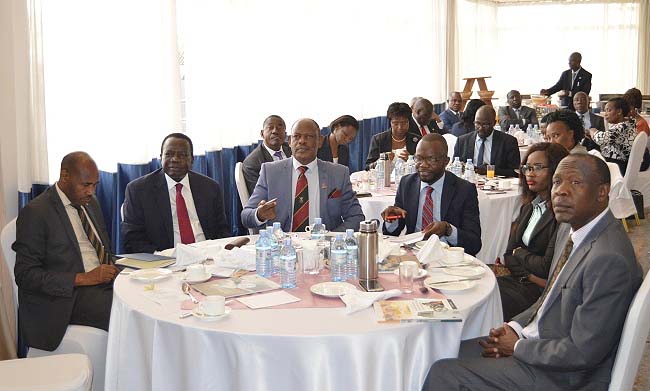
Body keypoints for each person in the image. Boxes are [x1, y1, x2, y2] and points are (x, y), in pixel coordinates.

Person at [424, 154, 642, 391]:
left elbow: (582, 352)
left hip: (563, 377)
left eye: (576, 183)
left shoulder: (608, 259)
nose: (561, 191)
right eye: (557, 182)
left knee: (444, 373)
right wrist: (515, 329)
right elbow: (547, 300)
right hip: (541, 344)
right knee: (441, 352)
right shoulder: (570, 229)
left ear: (602, 192)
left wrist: (517, 347)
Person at [13, 152, 119, 351]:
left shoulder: (90, 204)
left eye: (95, 185)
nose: (91, 192)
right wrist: (84, 278)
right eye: (86, 185)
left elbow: (103, 250)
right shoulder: (36, 213)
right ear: (65, 176)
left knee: (143, 294)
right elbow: (25, 275)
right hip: (66, 297)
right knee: (122, 310)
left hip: (101, 282)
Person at [241, 118, 365, 233]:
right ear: (289, 142)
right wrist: (259, 215)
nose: (302, 141)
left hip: (323, 247)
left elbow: (356, 217)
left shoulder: (338, 173)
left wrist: (331, 238)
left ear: (320, 141)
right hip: (283, 248)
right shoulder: (270, 172)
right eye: (297, 136)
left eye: (309, 137)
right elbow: (246, 216)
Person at [122, 133, 231, 253]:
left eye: (182, 155)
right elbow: (133, 240)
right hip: (165, 260)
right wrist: (161, 257)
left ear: (192, 159)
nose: (175, 159)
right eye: (169, 154)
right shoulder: (138, 190)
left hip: (207, 256)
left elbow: (222, 231)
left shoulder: (210, 188)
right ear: (160, 157)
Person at [497, 142, 569, 321]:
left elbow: (546, 266)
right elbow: (508, 254)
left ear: (555, 171)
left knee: (492, 304)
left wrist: (520, 254)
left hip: (540, 293)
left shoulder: (561, 215)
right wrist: (529, 274)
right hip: (520, 281)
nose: (530, 173)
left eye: (538, 167)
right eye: (527, 168)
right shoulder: (529, 207)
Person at [380, 134, 481, 255]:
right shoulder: (407, 184)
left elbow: (474, 244)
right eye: (419, 159)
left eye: (431, 159)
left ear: (446, 161)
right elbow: (392, 235)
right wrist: (392, 220)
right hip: (413, 254)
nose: (423, 165)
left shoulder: (464, 190)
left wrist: (448, 229)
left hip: (448, 256)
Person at [454, 105, 521, 177]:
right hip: (469, 182)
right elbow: (455, 167)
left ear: (494, 123)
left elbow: (515, 172)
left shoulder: (508, 142)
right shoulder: (462, 141)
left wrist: (490, 170)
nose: (480, 128)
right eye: (477, 123)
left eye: (485, 124)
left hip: (497, 184)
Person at [242, 115, 292, 195]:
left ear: (285, 134)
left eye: (279, 127)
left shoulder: (292, 150)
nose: (275, 131)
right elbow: (259, 196)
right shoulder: (252, 163)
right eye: (270, 127)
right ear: (262, 134)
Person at [366, 102, 421, 169]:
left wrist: (412, 161)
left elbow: (422, 164)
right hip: (384, 178)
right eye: (396, 123)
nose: (400, 127)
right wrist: (381, 161)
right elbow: (368, 167)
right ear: (390, 122)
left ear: (409, 121)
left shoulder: (417, 140)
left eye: (404, 123)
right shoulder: (378, 139)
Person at [590, 97, 637, 175]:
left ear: (619, 111)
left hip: (616, 166)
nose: (605, 114)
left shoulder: (622, 127)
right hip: (620, 163)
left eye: (609, 110)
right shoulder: (629, 124)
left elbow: (601, 139)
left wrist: (592, 130)